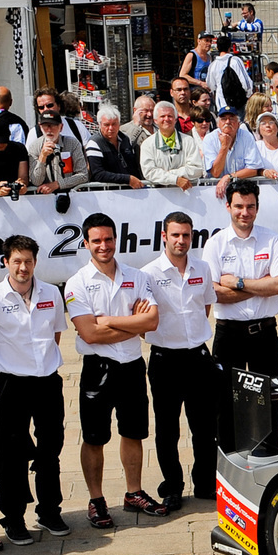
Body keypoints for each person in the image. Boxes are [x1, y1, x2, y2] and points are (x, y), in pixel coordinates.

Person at [64, 214, 164, 527]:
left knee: (133, 432)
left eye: (108, 239)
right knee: (94, 437)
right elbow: (89, 334)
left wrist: (107, 320)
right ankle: (96, 499)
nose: (103, 246)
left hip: (133, 365)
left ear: (115, 240)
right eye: (96, 241)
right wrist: (131, 325)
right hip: (98, 368)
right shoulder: (77, 283)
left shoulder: (137, 276)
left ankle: (133, 493)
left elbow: (152, 322)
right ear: (85, 244)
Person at [0, 236, 68, 544]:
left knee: (50, 450)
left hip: (47, 382)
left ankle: (50, 511)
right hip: (12, 383)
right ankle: (13, 518)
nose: (23, 267)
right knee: (11, 455)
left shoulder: (52, 293)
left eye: (28, 261)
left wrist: (42, 365)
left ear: (35, 262)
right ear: (5, 262)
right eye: (17, 261)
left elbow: (55, 334)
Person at [142, 212, 217, 512]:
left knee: (205, 426)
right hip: (165, 360)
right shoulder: (148, 273)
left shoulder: (203, 268)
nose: (181, 241)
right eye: (175, 235)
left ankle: (205, 483)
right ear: (164, 236)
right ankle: (171, 486)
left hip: (198, 357)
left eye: (186, 235)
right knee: (167, 429)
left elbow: (206, 305)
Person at [207, 178, 278, 383]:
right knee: (224, 407)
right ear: (228, 206)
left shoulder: (271, 240)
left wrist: (238, 282)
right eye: (239, 206)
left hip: (265, 336)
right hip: (228, 336)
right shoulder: (215, 244)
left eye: (250, 206)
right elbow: (214, 293)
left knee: (268, 408)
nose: (245, 212)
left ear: (257, 208)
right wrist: (263, 286)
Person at [141, 102, 205, 190]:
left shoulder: (189, 141)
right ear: (155, 120)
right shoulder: (147, 144)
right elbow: (149, 172)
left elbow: (197, 168)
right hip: (159, 195)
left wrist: (170, 173)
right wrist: (175, 179)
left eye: (170, 116)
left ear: (175, 119)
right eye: (162, 116)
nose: (166, 119)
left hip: (188, 194)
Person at [204, 105, 270, 183]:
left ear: (238, 124)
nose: (228, 122)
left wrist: (230, 177)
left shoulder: (247, 136)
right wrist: (224, 147)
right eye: (224, 119)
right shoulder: (209, 139)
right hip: (217, 189)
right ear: (218, 124)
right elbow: (215, 172)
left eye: (231, 118)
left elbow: (253, 169)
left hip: (241, 186)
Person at [27, 111, 88, 193]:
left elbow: (83, 175)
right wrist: (42, 157)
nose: (49, 130)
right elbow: (36, 181)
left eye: (53, 125)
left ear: (61, 127)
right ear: (40, 127)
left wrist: (57, 184)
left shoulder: (72, 143)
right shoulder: (34, 147)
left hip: (71, 195)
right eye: (45, 126)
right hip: (45, 197)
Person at [207, 35, 254, 117]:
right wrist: (248, 95)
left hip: (221, 104)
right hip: (237, 103)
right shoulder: (235, 61)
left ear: (217, 47)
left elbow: (211, 86)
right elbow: (246, 83)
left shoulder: (213, 65)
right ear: (230, 47)